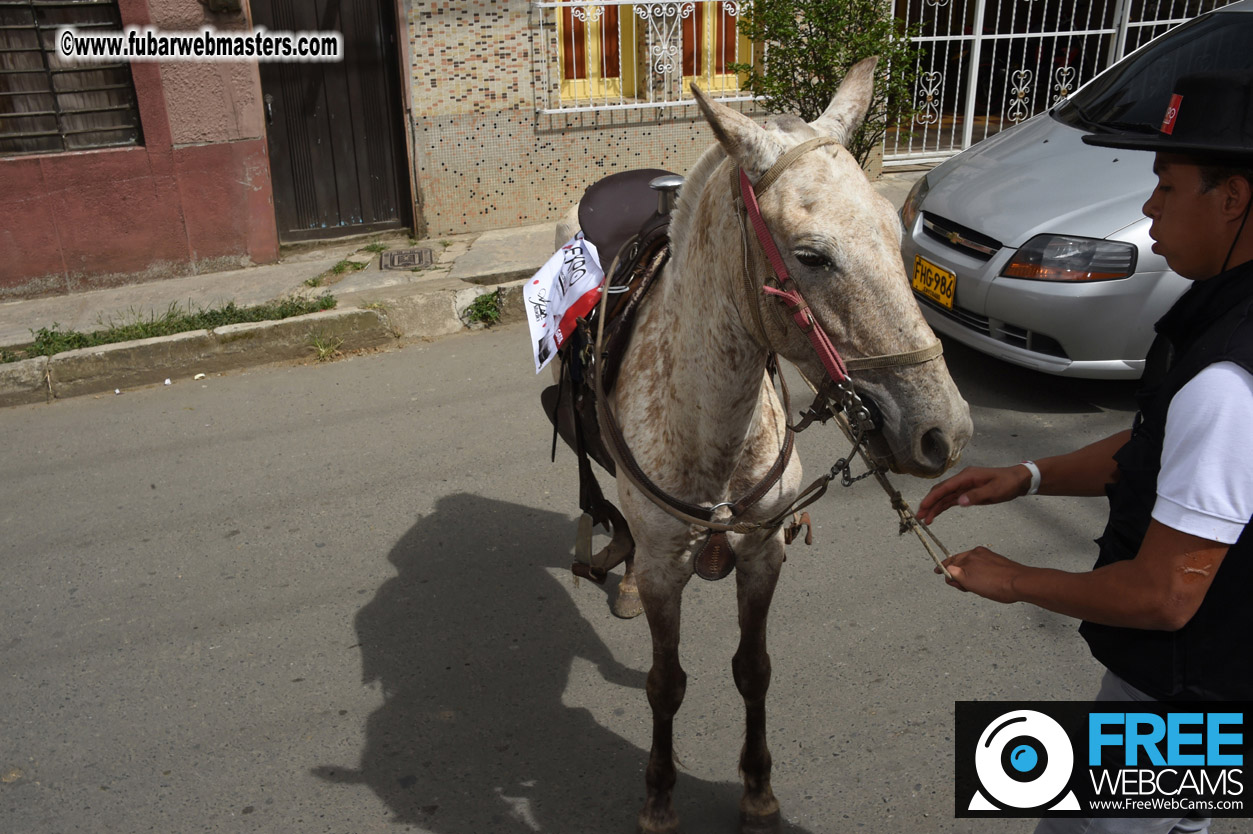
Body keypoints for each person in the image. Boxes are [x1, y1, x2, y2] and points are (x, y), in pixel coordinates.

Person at [917, 70, 1253, 834]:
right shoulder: (1219, 311)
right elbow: (1158, 450)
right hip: (1196, 683)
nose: (1147, 207)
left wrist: (1012, 579)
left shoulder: (1229, 380)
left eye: (1167, 188)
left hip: (1185, 695)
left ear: (1231, 199)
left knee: (1074, 812)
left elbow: (1165, 596)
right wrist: (1027, 475)